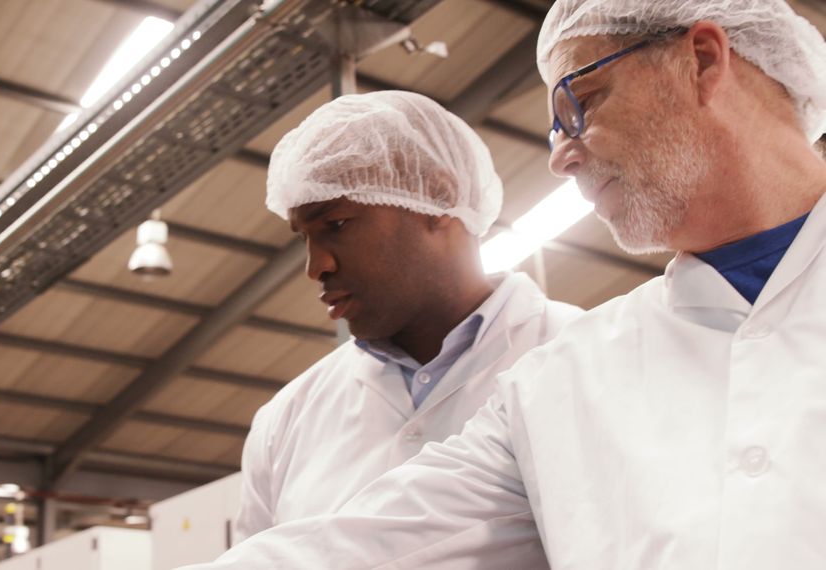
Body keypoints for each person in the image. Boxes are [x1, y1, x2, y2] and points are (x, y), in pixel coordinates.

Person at [187, 0, 826, 568]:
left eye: (583, 100)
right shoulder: (562, 378)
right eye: (555, 126)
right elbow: (361, 542)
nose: (560, 155)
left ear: (702, 60)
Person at [233, 90, 583, 543]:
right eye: (304, 237)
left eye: (335, 225)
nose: (315, 266)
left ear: (436, 198)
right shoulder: (285, 421)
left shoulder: (579, 355)